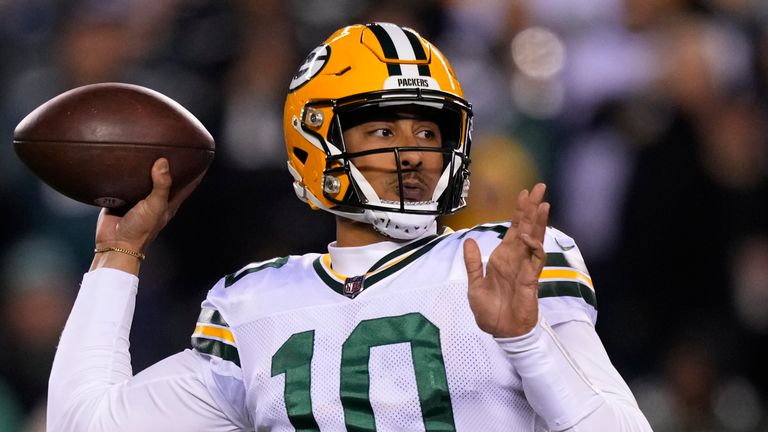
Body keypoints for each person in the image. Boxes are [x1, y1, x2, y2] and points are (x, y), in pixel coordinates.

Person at [47, 23, 652, 431]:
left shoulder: (501, 259)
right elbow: (86, 423)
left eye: (427, 132)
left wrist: (525, 338)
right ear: (315, 144)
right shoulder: (254, 304)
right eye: (383, 131)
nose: (413, 153)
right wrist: (120, 253)